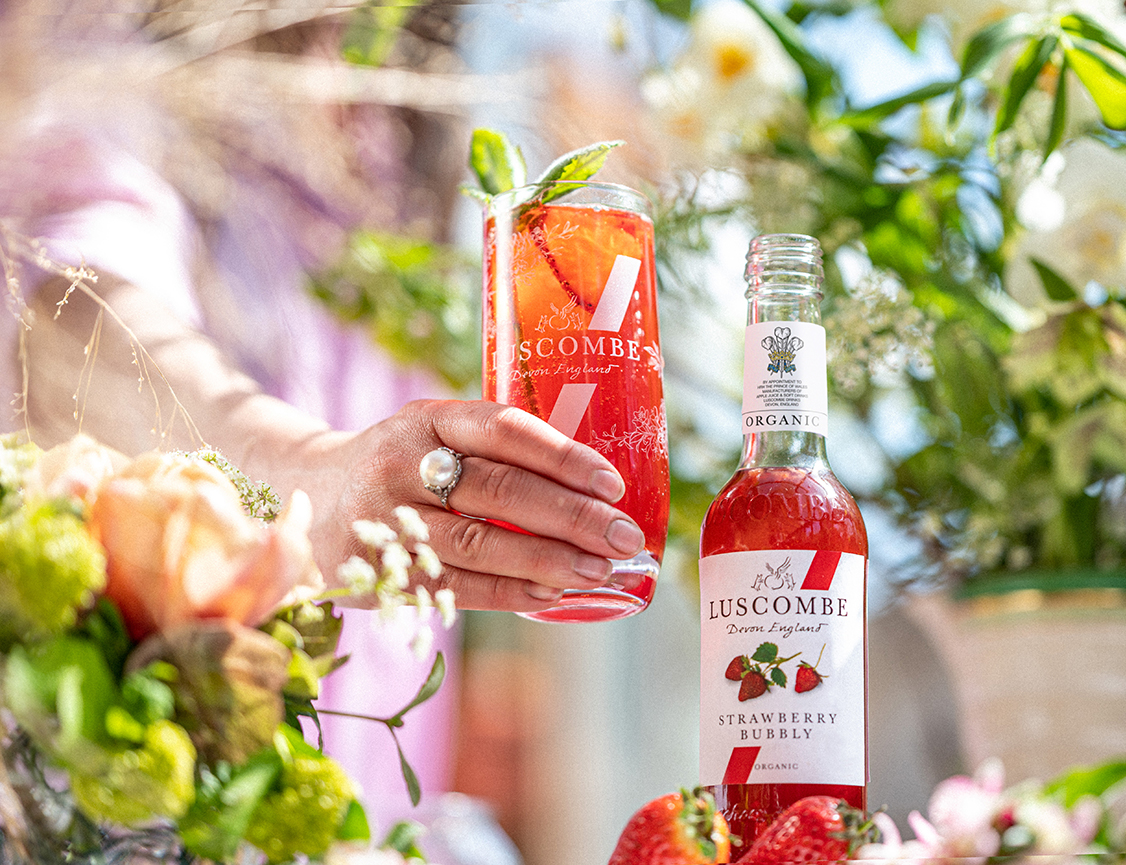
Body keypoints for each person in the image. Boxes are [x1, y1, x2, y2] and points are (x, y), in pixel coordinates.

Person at [0, 0, 645, 835]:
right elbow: (80, 307)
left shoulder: (405, 124)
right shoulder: (104, 41)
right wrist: (307, 470)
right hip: (129, 809)